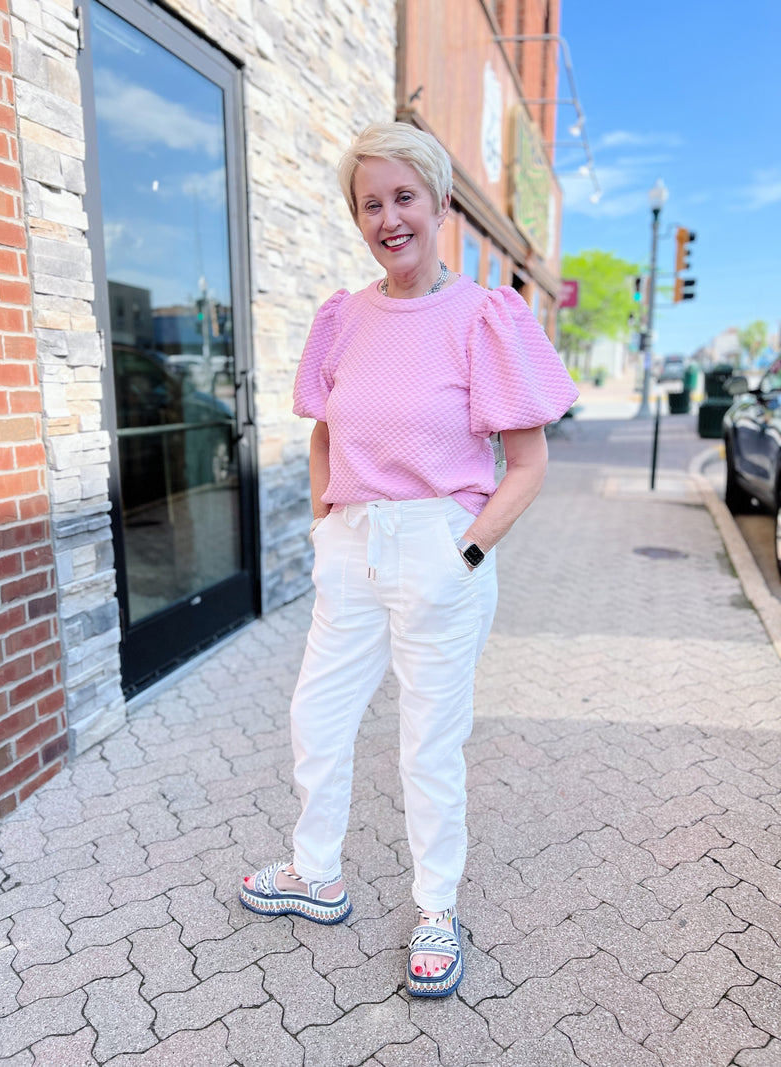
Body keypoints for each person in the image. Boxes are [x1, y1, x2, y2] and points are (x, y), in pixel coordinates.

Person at [240, 122, 578, 997]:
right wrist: (325, 527)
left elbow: (530, 463)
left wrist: (464, 550)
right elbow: (324, 434)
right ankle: (316, 873)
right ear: (357, 217)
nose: (388, 218)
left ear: (437, 204)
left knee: (429, 741)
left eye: (403, 197)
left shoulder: (482, 316)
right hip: (351, 544)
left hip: (441, 545)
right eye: (370, 203)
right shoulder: (342, 317)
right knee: (317, 715)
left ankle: (436, 906)